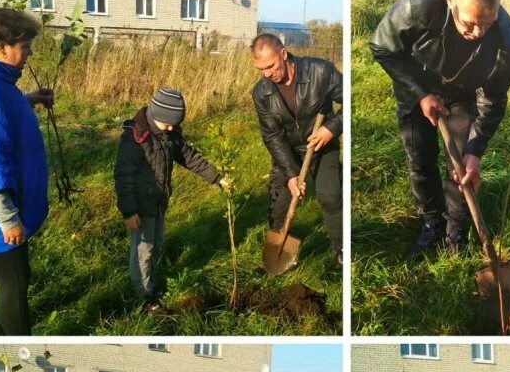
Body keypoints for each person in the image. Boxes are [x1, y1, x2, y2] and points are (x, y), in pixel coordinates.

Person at [370, 0, 510, 254]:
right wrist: (420, 94)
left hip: (464, 94)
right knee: (420, 158)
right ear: (450, 0)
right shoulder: (417, 4)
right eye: (470, 23)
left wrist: (475, 150)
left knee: (461, 167)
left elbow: (493, 98)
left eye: (487, 23)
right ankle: (432, 224)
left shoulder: (507, 41)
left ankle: (455, 234)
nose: (478, 32)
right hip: (416, 87)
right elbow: (382, 46)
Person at [0, 8, 55, 335]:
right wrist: (7, 218)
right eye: (26, 45)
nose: (30, 52)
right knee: (15, 283)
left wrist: (28, 100)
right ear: (4, 46)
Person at [113, 87, 224, 314]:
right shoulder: (136, 137)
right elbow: (123, 176)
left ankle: (150, 285)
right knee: (143, 251)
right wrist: (129, 212)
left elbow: (189, 157)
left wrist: (217, 178)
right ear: (157, 115)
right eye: (168, 123)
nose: (172, 128)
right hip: (140, 205)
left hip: (158, 202)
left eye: (175, 124)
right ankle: (143, 297)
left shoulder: (170, 134)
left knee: (156, 246)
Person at [250, 34, 343, 264]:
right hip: (289, 150)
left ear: (284, 54)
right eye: (261, 69)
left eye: (270, 66)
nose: (267, 74)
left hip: (322, 145)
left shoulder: (320, 72)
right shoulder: (261, 92)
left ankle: (341, 248)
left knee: (329, 197)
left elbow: (352, 99)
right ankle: (279, 250)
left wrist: (331, 128)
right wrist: (291, 174)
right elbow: (272, 135)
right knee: (278, 203)